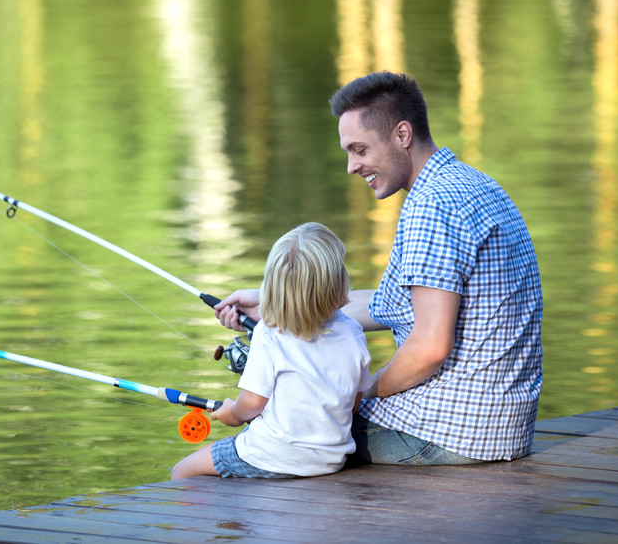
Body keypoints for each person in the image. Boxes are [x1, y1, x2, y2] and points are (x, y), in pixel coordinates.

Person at [215, 71, 542, 465]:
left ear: (402, 135)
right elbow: (388, 305)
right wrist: (276, 303)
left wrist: (365, 392)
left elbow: (430, 348)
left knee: (292, 421)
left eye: (360, 150)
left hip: (449, 430)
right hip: (502, 425)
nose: (352, 167)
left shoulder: (432, 207)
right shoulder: (473, 184)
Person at [171, 222, 372, 480]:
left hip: (272, 455)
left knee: (182, 472)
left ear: (273, 289)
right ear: (340, 281)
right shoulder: (353, 332)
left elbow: (251, 405)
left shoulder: (270, 332)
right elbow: (352, 404)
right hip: (330, 460)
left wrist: (230, 413)